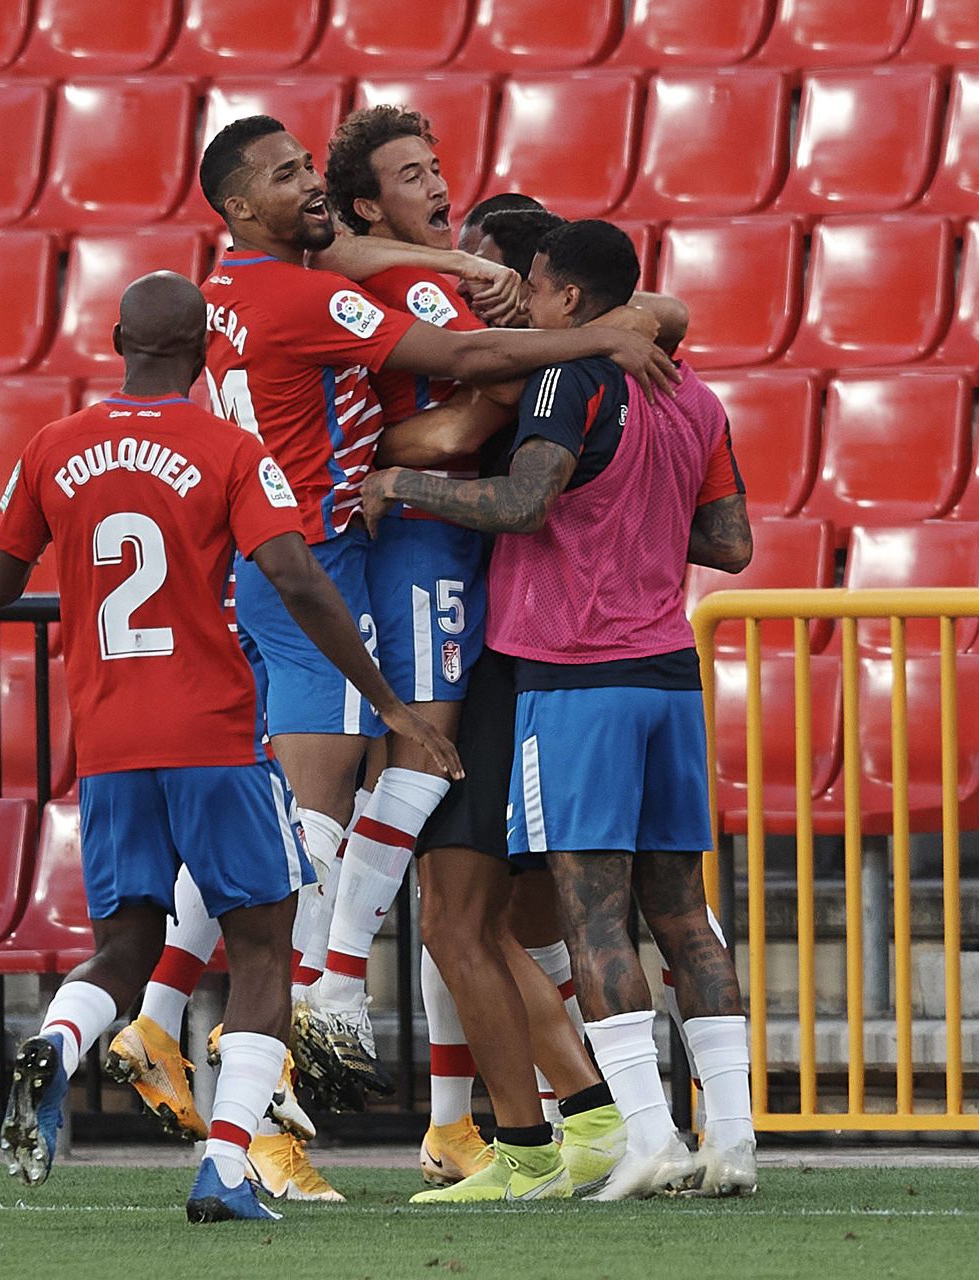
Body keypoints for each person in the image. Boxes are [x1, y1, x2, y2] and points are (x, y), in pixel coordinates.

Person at [195, 114, 679, 1131]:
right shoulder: (393, 284)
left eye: (436, 167)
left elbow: (643, 317)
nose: (437, 186)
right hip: (417, 547)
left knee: (461, 902)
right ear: (364, 204)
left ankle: (462, 1124)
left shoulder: (329, 275)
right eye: (410, 175)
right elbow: (470, 390)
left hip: (413, 562)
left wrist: (497, 299)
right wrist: (575, 339)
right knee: (416, 797)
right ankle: (324, 997)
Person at [0, 271, 460, 1223]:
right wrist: (387, 702)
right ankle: (227, 1168)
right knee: (265, 950)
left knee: (123, 948)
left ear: (117, 341)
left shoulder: (50, 446)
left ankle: (59, 1044)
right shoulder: (231, 448)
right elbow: (299, 577)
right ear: (205, 351)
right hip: (211, 734)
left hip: (109, 741)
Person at [363, 219, 757, 1201]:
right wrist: (636, 519)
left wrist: (400, 482)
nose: (526, 307)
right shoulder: (694, 395)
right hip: (669, 672)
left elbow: (525, 503)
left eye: (535, 289)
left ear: (570, 298)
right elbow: (731, 540)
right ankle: (736, 1140)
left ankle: (649, 1136)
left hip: (575, 676)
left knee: (593, 915)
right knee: (684, 913)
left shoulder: (566, 376)